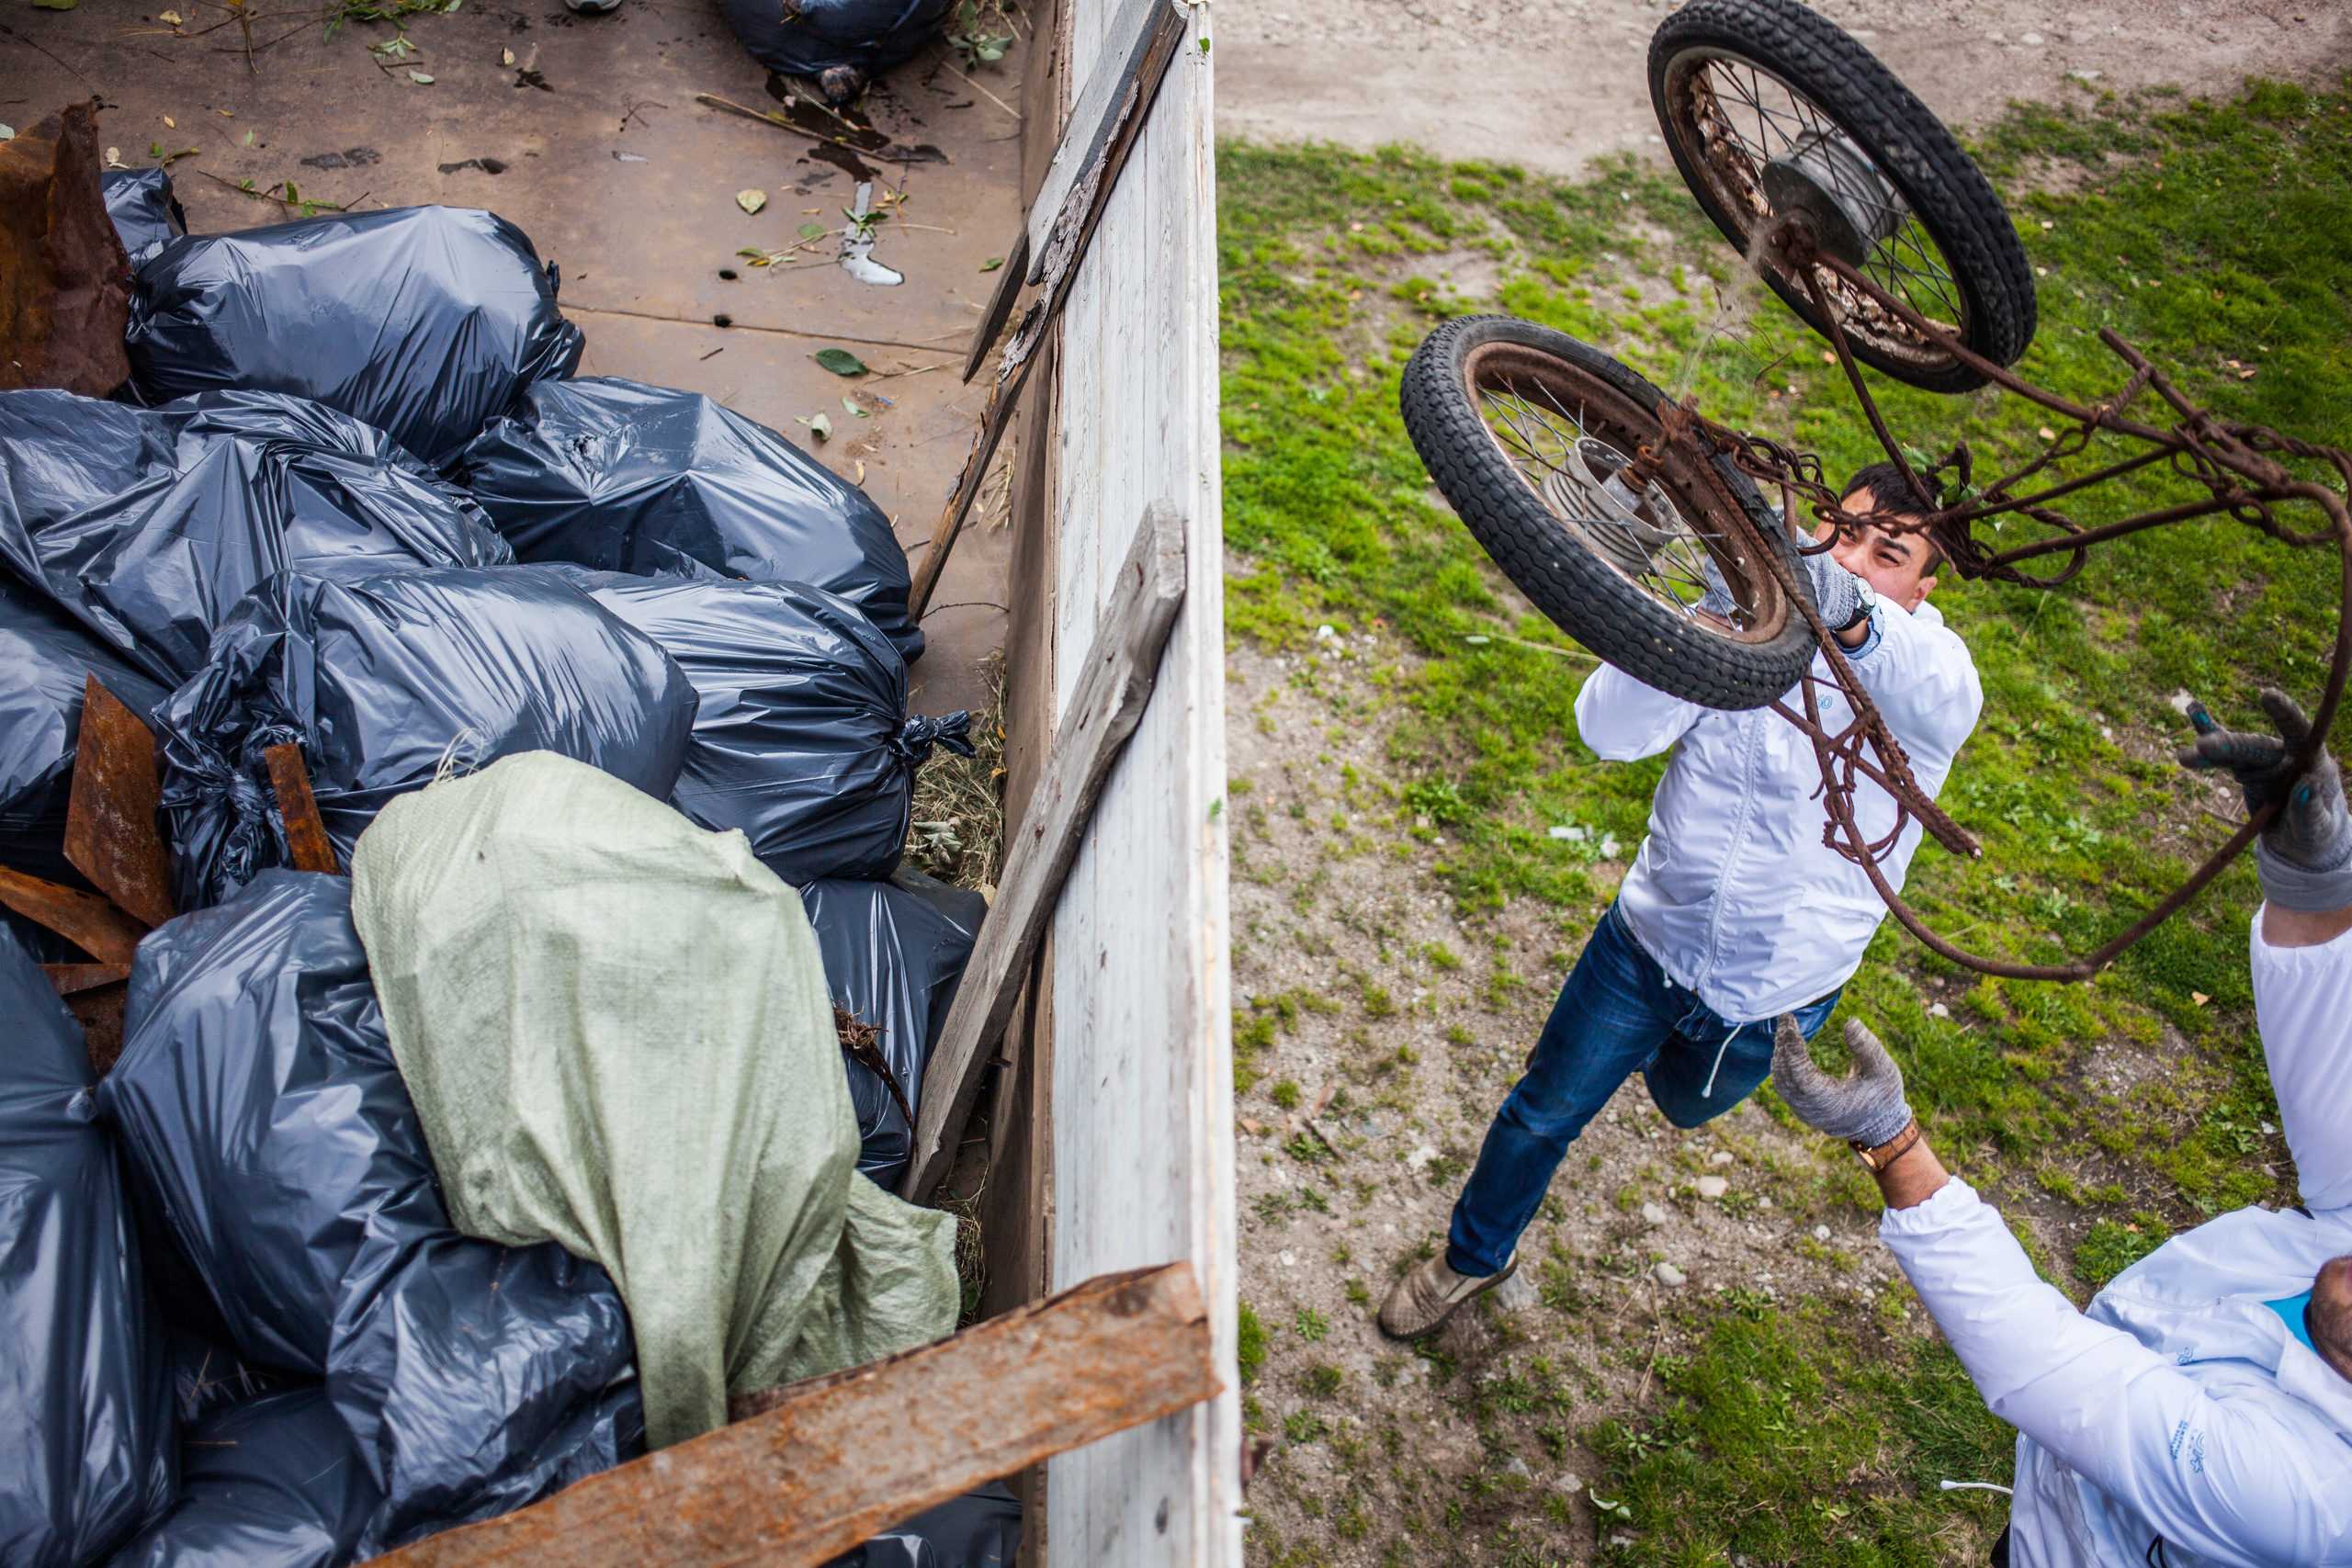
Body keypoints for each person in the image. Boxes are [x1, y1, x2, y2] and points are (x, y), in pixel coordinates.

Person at [1379, 463, 1984, 1338]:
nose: (1851, 561)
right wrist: (1706, 622)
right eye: (1843, 534)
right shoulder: (1751, 626)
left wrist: (1846, 612)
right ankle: (1472, 1258)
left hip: (1770, 998)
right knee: (1543, 1110)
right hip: (1644, 946)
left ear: (1922, 591)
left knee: (1684, 1101)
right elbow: (1606, 729)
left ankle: (1659, 1067)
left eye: (1887, 555)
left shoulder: (1937, 680)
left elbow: (1922, 674)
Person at [1772, 689, 2352, 1567]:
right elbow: (2334, 1098)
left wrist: (1890, 1140)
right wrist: (2317, 884)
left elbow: (2045, 1365)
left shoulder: (2304, 1498)